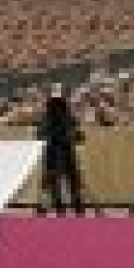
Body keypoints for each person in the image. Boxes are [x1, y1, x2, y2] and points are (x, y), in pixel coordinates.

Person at [37, 86, 86, 216]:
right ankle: (75, 208)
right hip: (61, 150)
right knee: (66, 180)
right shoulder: (65, 117)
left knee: (62, 180)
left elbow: (39, 135)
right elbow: (80, 136)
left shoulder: (50, 117)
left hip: (58, 151)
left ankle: (67, 208)